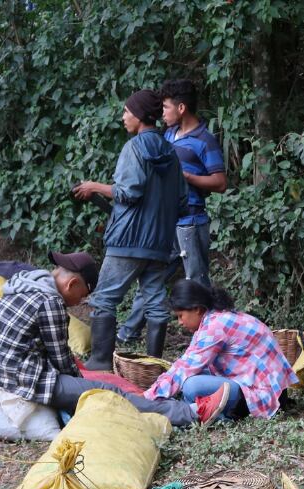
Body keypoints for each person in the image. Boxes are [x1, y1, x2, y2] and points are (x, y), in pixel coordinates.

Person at [0, 251, 201, 425]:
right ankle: (188, 413)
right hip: (23, 379)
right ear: (72, 284)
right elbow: (62, 361)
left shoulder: (21, 285)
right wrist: (84, 385)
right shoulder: (49, 302)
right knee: (108, 392)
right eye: (82, 295)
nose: (79, 302)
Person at [74, 89, 186, 364]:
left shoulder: (134, 147)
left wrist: (94, 187)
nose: (123, 117)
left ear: (138, 115)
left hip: (128, 241)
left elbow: (129, 192)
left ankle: (99, 363)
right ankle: (152, 365)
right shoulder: (170, 151)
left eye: (126, 111)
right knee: (156, 303)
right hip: (160, 243)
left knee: (104, 299)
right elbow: (181, 199)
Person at [118, 78, 227, 343]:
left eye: (165, 107)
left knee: (198, 283)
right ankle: (126, 335)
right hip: (166, 223)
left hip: (191, 221)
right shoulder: (167, 135)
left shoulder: (205, 140)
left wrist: (187, 177)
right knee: (150, 278)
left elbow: (220, 183)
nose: (161, 113)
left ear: (181, 108)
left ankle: (208, 340)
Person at [144, 279, 298, 424]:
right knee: (188, 382)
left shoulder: (215, 326)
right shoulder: (215, 319)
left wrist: (148, 398)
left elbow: (184, 369)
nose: (180, 322)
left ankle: (210, 413)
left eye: (180, 316)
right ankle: (201, 409)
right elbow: (187, 362)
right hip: (267, 389)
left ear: (197, 309)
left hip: (265, 395)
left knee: (191, 386)